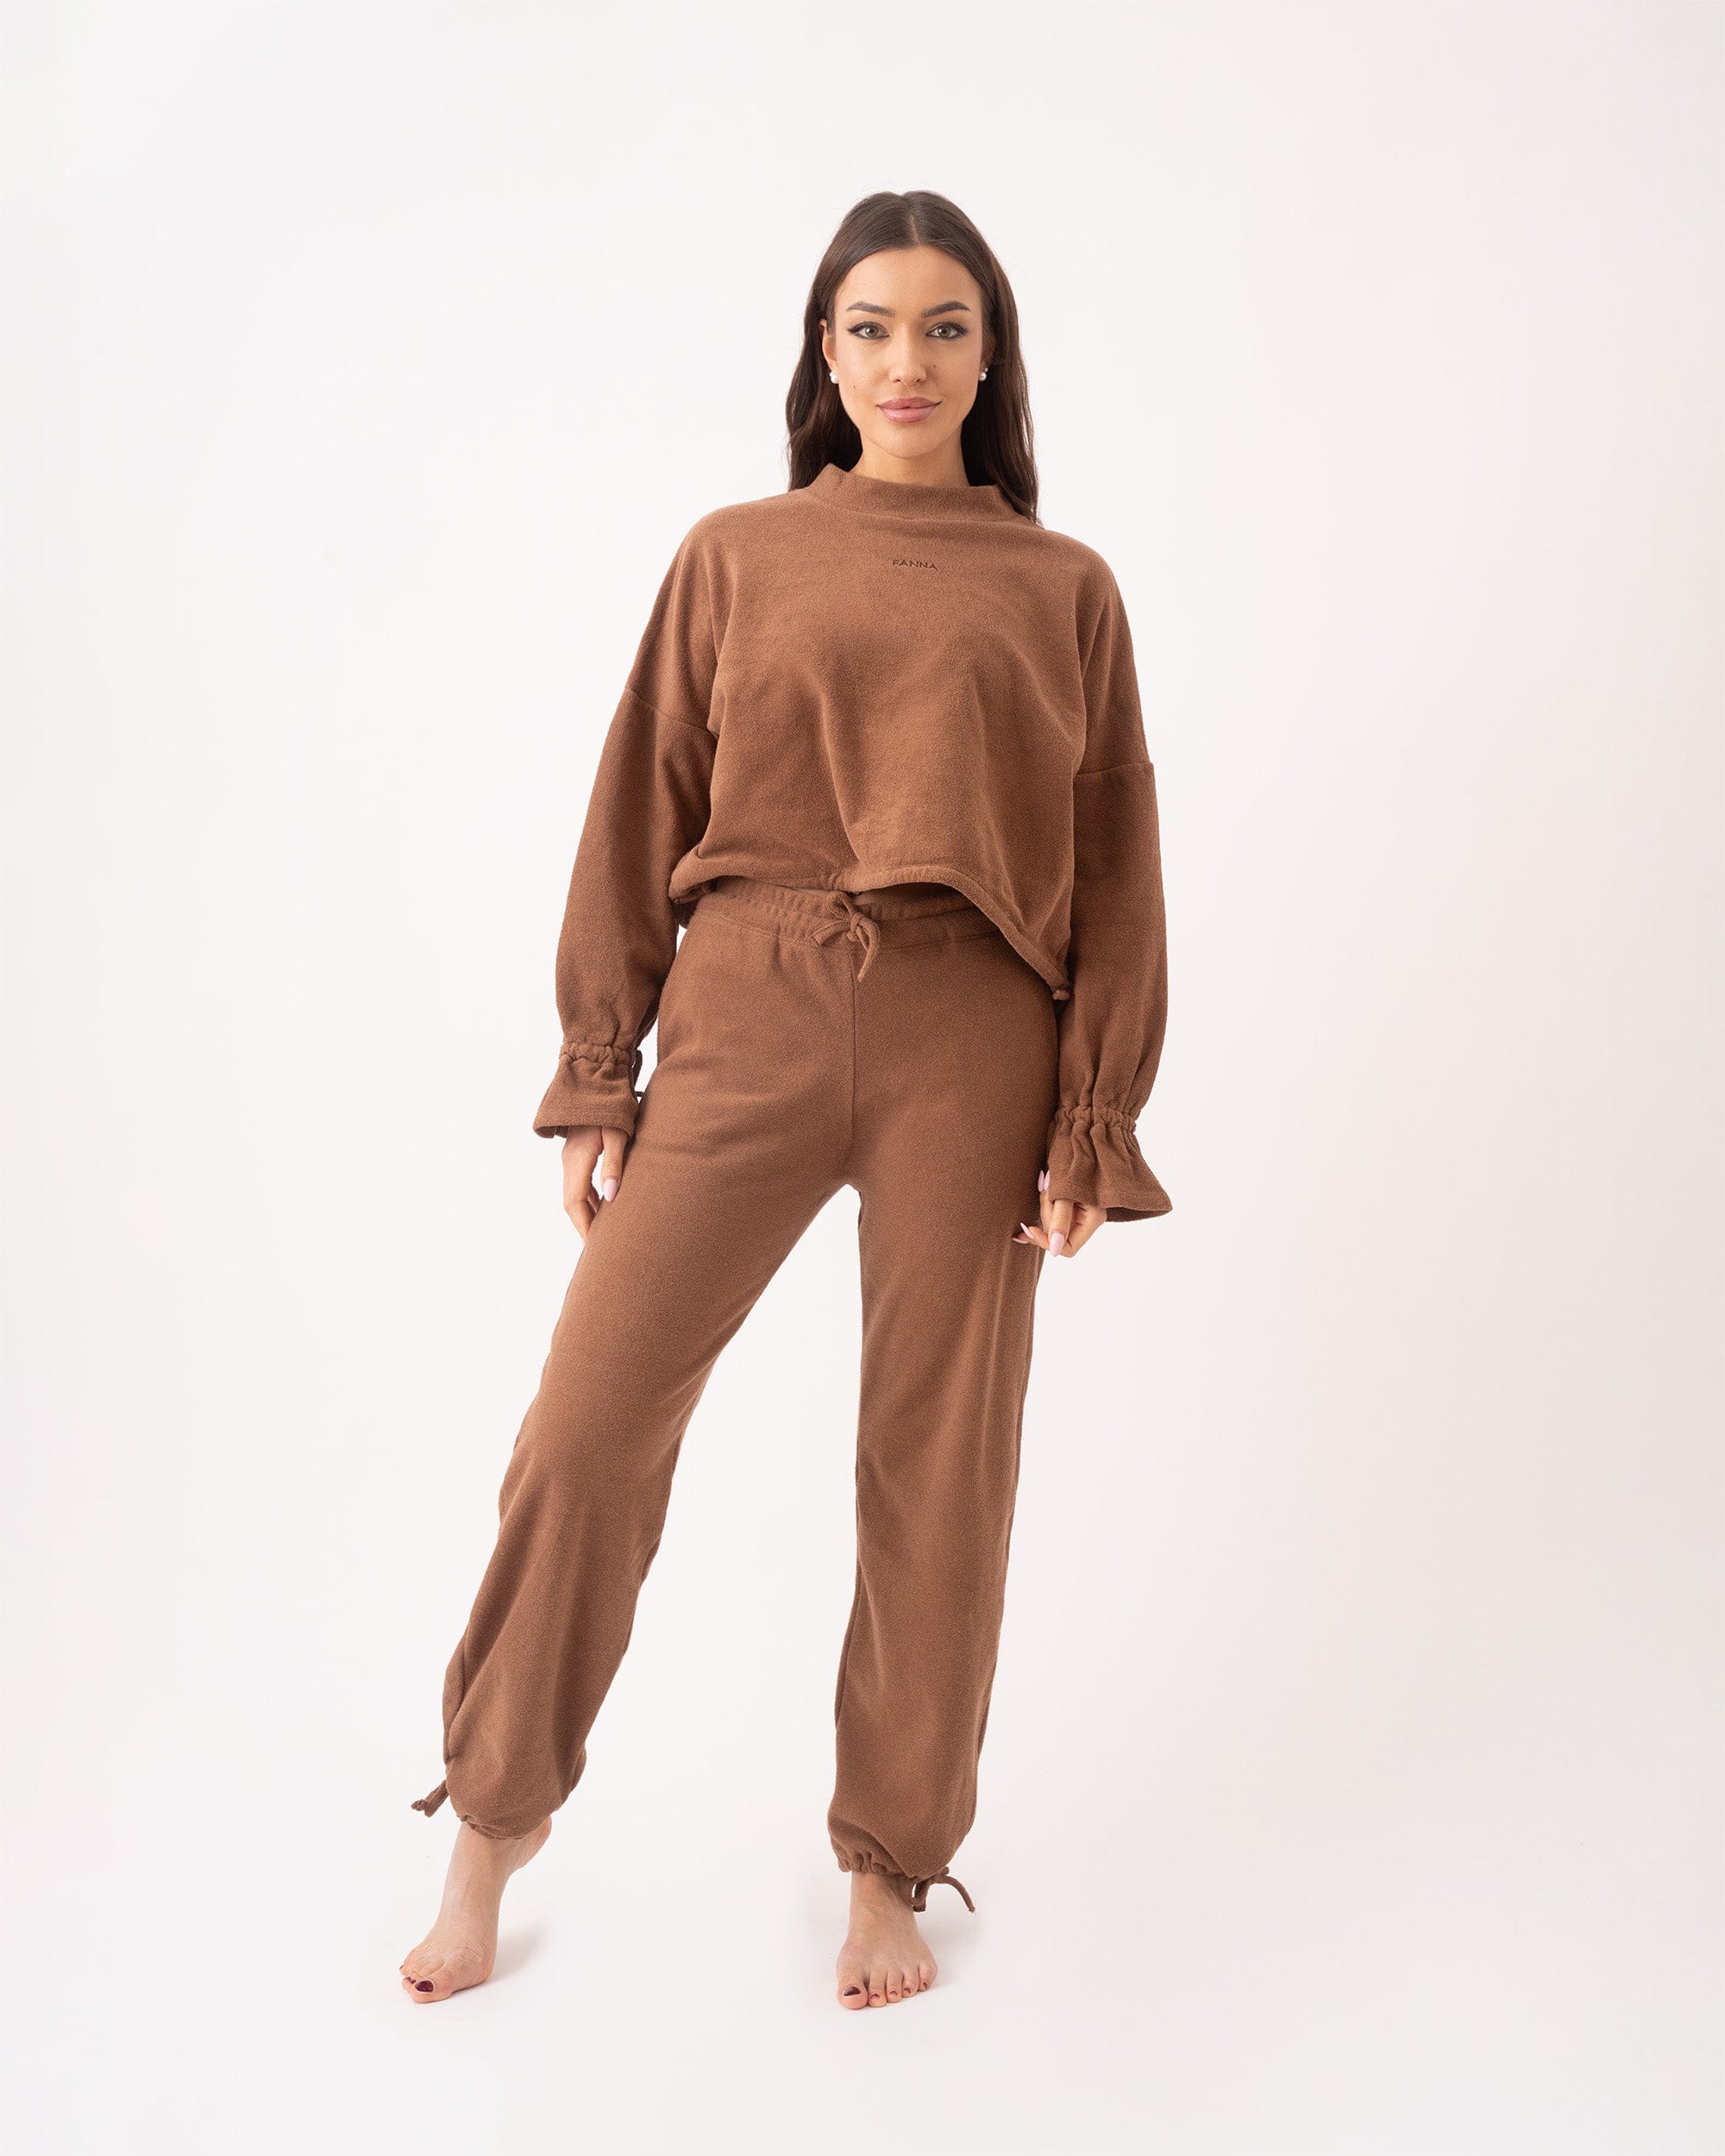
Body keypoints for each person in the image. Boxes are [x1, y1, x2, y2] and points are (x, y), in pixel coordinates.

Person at [398, 189, 1173, 2011]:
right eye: (872, 327)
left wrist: (1091, 1117)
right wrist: (601, 1067)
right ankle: (491, 1820)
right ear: (825, 352)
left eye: (945, 327)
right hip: (746, 1004)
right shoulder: (734, 553)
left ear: (990, 356)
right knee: (587, 1424)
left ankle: (889, 1862)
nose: (908, 362)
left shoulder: (1063, 586)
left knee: (937, 1464)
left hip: (972, 1029)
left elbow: (1114, 860)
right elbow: (640, 796)